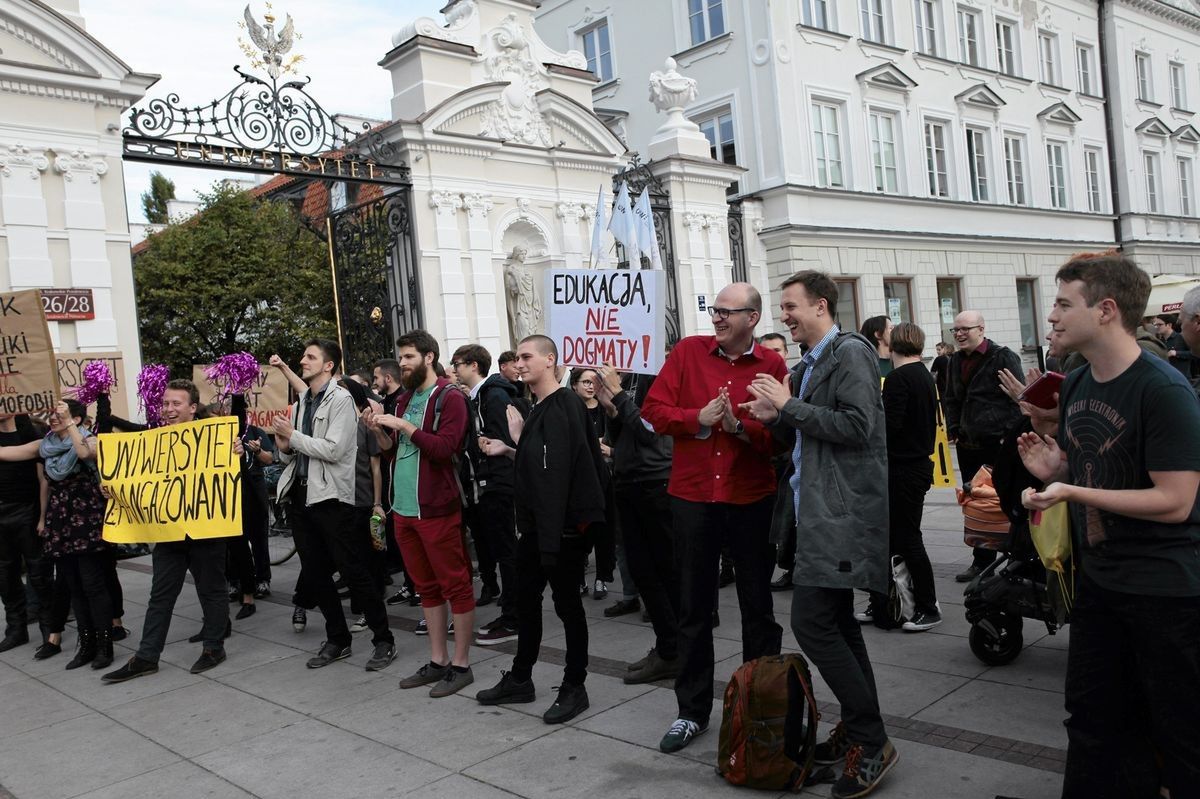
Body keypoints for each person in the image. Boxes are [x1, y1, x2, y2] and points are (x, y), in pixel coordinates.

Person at [1018, 253, 1200, 798]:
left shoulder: (1162, 390)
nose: (1051, 315)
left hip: (1166, 592)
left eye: (1063, 303)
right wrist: (1059, 471)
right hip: (1101, 583)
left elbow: (1174, 500)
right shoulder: (1075, 383)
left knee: (1181, 734)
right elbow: (1099, 468)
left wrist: (1072, 489)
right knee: (1093, 721)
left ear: (1105, 310)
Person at [742, 270, 897, 799]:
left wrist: (789, 407)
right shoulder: (811, 362)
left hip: (841, 513)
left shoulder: (849, 352)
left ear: (821, 307)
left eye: (790, 306)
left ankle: (872, 741)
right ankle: (861, 731)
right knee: (836, 624)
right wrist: (775, 417)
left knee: (812, 625)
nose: (783, 316)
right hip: (821, 511)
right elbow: (812, 431)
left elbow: (858, 427)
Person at [641, 281, 787, 754]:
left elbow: (780, 439)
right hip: (694, 497)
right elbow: (653, 411)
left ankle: (756, 707)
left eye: (728, 312)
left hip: (750, 498)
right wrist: (697, 419)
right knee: (694, 606)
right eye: (714, 310)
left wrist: (739, 428)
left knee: (757, 608)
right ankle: (692, 711)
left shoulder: (772, 365)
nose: (717, 318)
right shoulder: (687, 352)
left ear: (753, 318)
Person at [475, 335, 606, 725]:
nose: (520, 362)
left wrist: (560, 535)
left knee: (568, 608)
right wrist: (513, 447)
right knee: (527, 603)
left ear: (550, 360)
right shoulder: (537, 407)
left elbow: (564, 472)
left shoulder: (564, 403)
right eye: (516, 357)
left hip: (560, 530)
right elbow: (543, 464)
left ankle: (574, 685)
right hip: (536, 529)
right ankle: (520, 678)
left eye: (527, 356)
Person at [272, 339, 395, 671]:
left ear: (329, 365)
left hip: (331, 499)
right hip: (300, 496)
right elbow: (291, 453)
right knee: (315, 573)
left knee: (354, 571)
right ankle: (338, 639)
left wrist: (293, 437)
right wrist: (283, 443)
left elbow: (334, 450)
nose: (303, 361)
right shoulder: (300, 402)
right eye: (303, 356)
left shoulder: (340, 399)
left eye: (311, 357)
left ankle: (383, 639)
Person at [368, 330, 476, 697]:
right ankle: (438, 659)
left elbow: (445, 449)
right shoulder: (403, 400)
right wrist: (381, 430)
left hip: (437, 509)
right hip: (404, 510)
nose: (402, 364)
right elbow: (393, 452)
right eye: (400, 358)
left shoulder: (450, 398)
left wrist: (404, 426)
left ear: (429, 357)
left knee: (456, 585)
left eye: (409, 357)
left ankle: (461, 664)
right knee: (426, 588)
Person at [103, 380, 234, 682]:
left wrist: (238, 452)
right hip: (169, 533)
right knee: (160, 595)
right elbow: (136, 478)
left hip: (207, 529)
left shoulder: (215, 438)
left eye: (176, 404)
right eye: (165, 404)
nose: (169, 409)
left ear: (192, 408)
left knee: (212, 590)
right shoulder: (152, 440)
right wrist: (115, 488)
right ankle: (147, 656)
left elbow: (232, 472)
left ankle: (213, 648)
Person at [595, 364, 681, 684]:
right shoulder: (625, 380)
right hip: (628, 480)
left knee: (664, 572)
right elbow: (618, 438)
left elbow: (651, 430)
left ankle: (675, 650)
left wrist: (617, 395)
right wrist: (611, 410)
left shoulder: (655, 377)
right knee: (642, 572)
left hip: (655, 483)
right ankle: (667, 647)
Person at [858, 322, 942, 631]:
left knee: (906, 538)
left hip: (903, 468)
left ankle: (928, 607)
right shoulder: (923, 375)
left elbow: (888, 429)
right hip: (915, 465)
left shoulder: (898, 379)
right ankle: (890, 602)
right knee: (898, 538)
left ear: (893, 345)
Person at [450, 343, 521, 645]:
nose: (454, 369)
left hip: (498, 485)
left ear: (474, 365)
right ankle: (510, 610)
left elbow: (501, 442)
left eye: (458, 363)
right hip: (488, 485)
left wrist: (491, 479)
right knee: (501, 550)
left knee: (508, 552)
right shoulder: (479, 396)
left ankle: (515, 616)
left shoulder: (494, 396)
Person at [944, 310, 1022, 582]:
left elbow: (1018, 399)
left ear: (981, 328)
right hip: (968, 443)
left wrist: (1007, 437)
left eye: (965, 329)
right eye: (955, 330)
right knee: (975, 503)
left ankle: (1017, 559)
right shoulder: (954, 360)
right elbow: (951, 398)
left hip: (997, 444)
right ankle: (981, 562)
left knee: (1005, 501)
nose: (959, 334)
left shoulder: (1003, 356)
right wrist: (954, 429)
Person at [0, 414, 50, 653]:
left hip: (26, 510)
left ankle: (50, 630)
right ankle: (16, 630)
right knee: (5, 575)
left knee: (39, 572)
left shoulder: (31, 432)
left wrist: (41, 516)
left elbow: (41, 471)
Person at [570, 367, 616, 600]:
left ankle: (602, 578)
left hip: (606, 477)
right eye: (585, 382)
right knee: (581, 532)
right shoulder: (571, 411)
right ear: (574, 385)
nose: (590, 386)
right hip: (581, 480)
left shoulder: (607, 410)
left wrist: (608, 448)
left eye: (594, 382)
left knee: (605, 531)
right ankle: (579, 577)